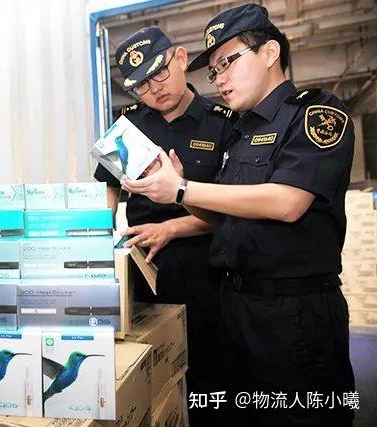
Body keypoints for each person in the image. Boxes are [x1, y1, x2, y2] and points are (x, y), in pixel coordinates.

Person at [122, 4, 355, 426]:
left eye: (227, 62)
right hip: (235, 306)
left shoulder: (315, 113)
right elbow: (223, 217)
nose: (220, 79)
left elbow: (288, 202)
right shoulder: (242, 133)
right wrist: (178, 191)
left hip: (294, 311)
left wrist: (183, 189)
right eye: (214, 71)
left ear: (269, 53)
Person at [94, 26, 236, 426]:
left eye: (159, 73)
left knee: (210, 379)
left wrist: (170, 229)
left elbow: (232, 210)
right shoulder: (128, 127)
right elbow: (106, 190)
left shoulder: (222, 123)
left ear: (180, 58)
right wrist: (98, 244)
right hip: (147, 272)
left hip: (207, 272)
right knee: (152, 377)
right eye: (141, 85)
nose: (154, 89)